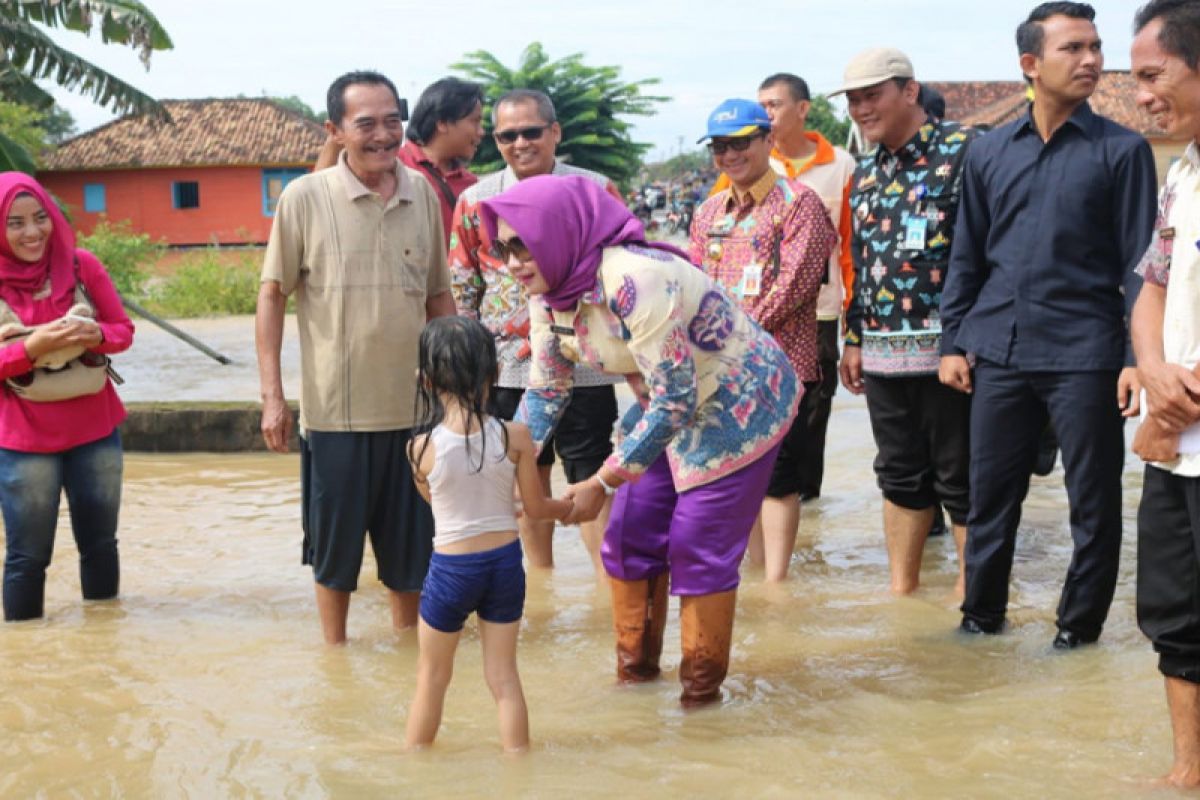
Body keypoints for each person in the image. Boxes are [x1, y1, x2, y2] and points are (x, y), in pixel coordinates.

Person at [480, 175, 800, 707]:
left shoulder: (634, 281)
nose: (513, 262)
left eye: (523, 245)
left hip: (739, 401)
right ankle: (635, 681)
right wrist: (494, 471)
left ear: (559, 234)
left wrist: (601, 482)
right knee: (628, 540)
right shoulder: (549, 291)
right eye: (503, 248)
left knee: (697, 546)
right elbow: (545, 394)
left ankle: (700, 699)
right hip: (665, 404)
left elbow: (676, 401)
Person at [941, 2, 1155, 647]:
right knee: (989, 500)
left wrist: (1133, 356)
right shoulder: (986, 152)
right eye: (1073, 49)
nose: (1091, 60)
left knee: (1093, 505)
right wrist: (953, 341)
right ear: (1031, 65)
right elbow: (967, 251)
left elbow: (1141, 264)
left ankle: (1078, 633)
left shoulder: (1123, 151)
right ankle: (980, 620)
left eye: (1095, 46)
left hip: (1086, 353)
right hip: (999, 350)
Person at [256, 70, 456, 645]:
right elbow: (272, 295)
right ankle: (334, 659)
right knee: (334, 558)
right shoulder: (304, 197)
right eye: (365, 123)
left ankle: (406, 655)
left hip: (417, 414)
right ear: (336, 131)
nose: (383, 134)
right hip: (336, 416)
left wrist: (461, 394)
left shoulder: (421, 192)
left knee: (412, 556)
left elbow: (438, 298)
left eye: (393, 120)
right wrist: (273, 398)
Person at [449, 89, 623, 574]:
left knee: (592, 471)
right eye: (508, 135)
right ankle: (540, 583)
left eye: (531, 132)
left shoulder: (594, 190)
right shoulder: (475, 201)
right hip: (507, 366)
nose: (521, 143)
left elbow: (624, 271)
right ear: (496, 141)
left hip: (586, 360)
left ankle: (607, 586)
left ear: (555, 133)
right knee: (526, 474)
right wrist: (470, 369)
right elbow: (463, 286)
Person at [831, 48, 979, 596]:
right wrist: (853, 337)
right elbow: (862, 259)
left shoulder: (966, 151)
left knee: (961, 478)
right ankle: (902, 597)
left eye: (873, 96)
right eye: (853, 100)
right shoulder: (865, 169)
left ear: (910, 91)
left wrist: (962, 344)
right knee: (898, 475)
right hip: (883, 354)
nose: (861, 109)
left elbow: (983, 254)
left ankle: (974, 602)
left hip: (951, 355)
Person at [404, 316, 573, 752]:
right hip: (503, 566)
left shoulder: (418, 449)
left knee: (432, 677)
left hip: (451, 570)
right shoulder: (515, 435)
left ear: (425, 380)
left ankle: (413, 765)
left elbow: (435, 502)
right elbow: (535, 510)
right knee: (503, 677)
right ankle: (519, 767)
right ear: (494, 375)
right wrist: (569, 508)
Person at [689, 98, 837, 582]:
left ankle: (776, 584)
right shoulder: (708, 211)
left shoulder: (800, 204)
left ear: (767, 141)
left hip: (778, 367)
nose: (730, 155)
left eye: (740, 144)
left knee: (777, 478)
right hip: (716, 368)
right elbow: (691, 285)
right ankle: (750, 576)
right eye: (719, 147)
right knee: (733, 475)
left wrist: (731, 337)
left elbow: (794, 289)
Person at [712, 75, 857, 504]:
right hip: (745, 321)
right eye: (762, 106)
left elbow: (850, 248)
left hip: (821, 313)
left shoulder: (842, 164)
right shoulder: (743, 167)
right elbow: (718, 245)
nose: (767, 113)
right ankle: (769, 509)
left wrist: (855, 325)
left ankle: (805, 511)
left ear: (803, 109)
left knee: (810, 417)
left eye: (774, 105)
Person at [0, 172, 134, 621]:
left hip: (95, 432)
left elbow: (122, 333)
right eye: (14, 223)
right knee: (27, 557)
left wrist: (94, 333)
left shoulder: (81, 265)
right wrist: (32, 349)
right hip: (23, 442)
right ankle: (27, 657)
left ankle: (102, 647)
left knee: (100, 545)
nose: (32, 232)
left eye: (40, 218)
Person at [1129, 0, 1200, 786]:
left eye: (1153, 75)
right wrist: (1152, 371)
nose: (1141, 95)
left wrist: (1178, 401)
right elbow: (1148, 288)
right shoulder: (1182, 173)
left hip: (1179, 424)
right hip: (1177, 445)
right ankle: (1186, 776)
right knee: (1176, 620)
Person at [315, 76, 484, 244]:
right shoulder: (388, 166)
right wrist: (339, 135)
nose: (481, 132)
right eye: (475, 121)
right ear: (443, 123)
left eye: (391, 121)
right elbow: (320, 203)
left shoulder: (472, 185)